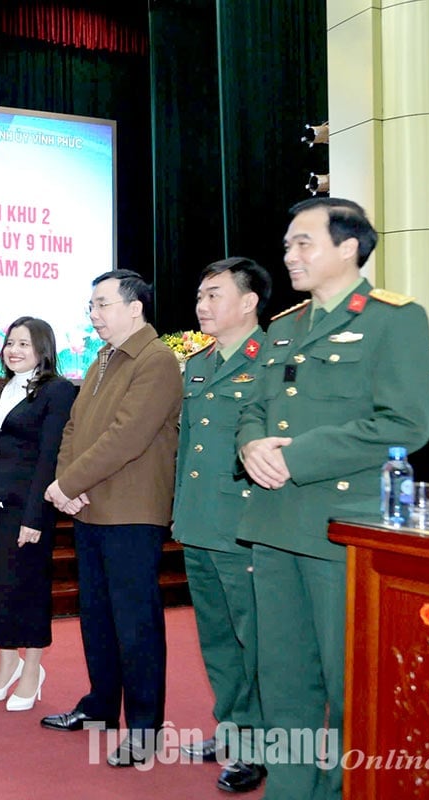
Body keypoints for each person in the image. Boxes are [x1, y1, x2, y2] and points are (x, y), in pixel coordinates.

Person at [237, 197, 429, 800]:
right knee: (285, 682)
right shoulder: (285, 326)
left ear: (348, 247)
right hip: (274, 525)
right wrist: (250, 447)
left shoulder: (393, 318)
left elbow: (404, 422)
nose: (289, 254)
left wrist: (293, 457)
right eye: (288, 243)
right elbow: (252, 406)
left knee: (351, 684)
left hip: (342, 528)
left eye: (304, 243)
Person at [40, 269, 182, 768]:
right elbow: (76, 428)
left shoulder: (157, 360)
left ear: (134, 307)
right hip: (90, 506)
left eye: (101, 305)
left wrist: (68, 485)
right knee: (97, 617)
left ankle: (145, 728)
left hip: (131, 511)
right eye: (92, 305)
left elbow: (127, 437)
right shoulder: (103, 359)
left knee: (135, 622)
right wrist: (66, 487)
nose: (93, 315)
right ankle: (100, 707)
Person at [172, 257, 270, 793]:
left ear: (249, 301)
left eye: (213, 296)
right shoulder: (198, 364)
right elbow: (189, 446)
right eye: (200, 296)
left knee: (254, 637)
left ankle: (261, 744)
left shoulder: (274, 360)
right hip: (199, 522)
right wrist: (180, 512)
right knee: (215, 636)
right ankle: (231, 728)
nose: (201, 306)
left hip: (245, 525)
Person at [0, 317, 76, 712]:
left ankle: (32, 671)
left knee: (26, 590)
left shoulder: (57, 392)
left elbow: (50, 457)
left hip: (26, 507)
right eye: (11, 343)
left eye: (24, 344)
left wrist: (35, 516)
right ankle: (6, 666)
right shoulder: (1, 388)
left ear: (43, 350)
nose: (14, 351)